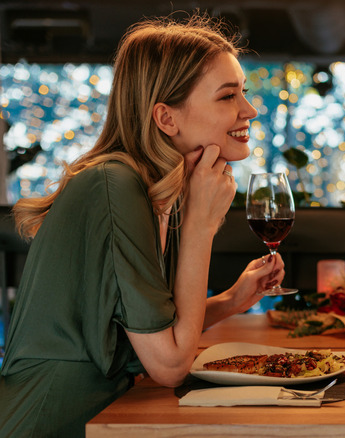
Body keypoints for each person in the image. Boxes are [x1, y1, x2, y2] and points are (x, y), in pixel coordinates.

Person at [0, 14, 285, 437]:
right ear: (166, 118)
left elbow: (153, 333)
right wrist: (200, 228)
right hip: (48, 420)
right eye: (228, 96)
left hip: (103, 414)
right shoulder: (113, 184)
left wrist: (231, 300)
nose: (250, 109)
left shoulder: (151, 188)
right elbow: (169, 364)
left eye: (242, 92)